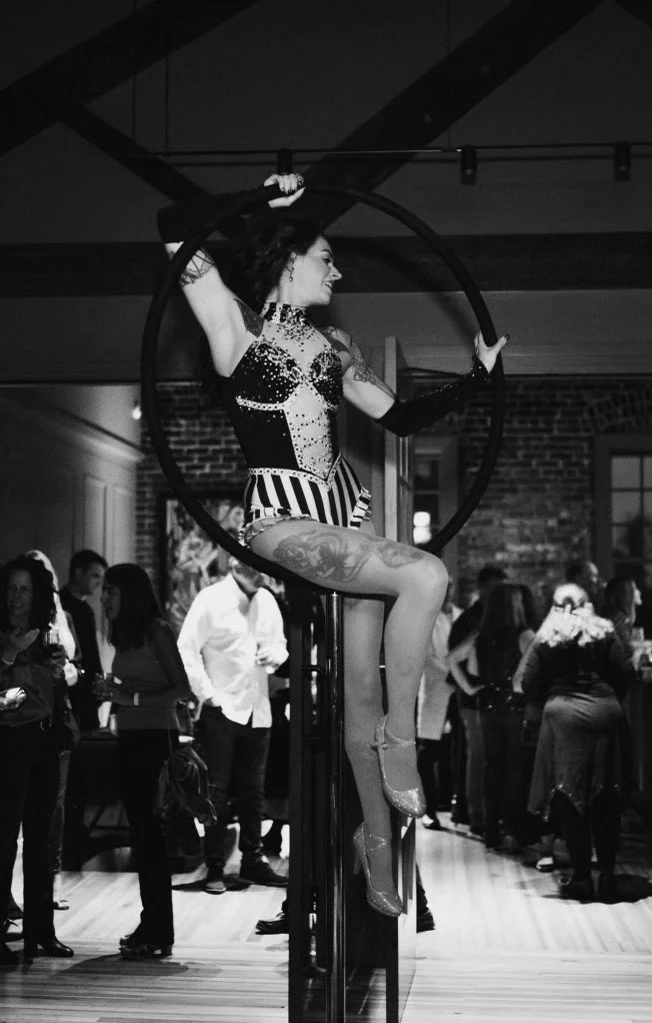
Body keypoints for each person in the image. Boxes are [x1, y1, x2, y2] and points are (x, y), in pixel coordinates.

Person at [157, 171, 508, 916]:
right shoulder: (236, 328)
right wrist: (256, 194)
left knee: (359, 695)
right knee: (426, 576)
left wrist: (478, 377)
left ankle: (375, 851)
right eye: (325, 256)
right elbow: (174, 222)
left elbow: (402, 416)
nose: (337, 269)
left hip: (343, 512)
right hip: (284, 518)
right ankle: (401, 741)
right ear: (288, 260)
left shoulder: (333, 344)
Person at [93, 564, 191, 959]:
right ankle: (151, 923)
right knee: (141, 836)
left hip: (155, 742)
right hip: (130, 739)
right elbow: (136, 687)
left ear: (129, 595)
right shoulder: (126, 636)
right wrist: (113, 689)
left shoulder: (157, 631)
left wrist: (126, 698)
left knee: (151, 837)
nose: (104, 600)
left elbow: (180, 688)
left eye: (111, 593)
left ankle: (159, 930)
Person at [177, 556, 289, 892]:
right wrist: (208, 694)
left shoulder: (267, 600)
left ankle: (252, 860)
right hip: (221, 710)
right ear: (232, 563)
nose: (258, 570)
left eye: (261, 563)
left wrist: (275, 657)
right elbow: (185, 648)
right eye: (250, 563)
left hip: (259, 709)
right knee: (217, 791)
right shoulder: (210, 599)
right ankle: (214, 867)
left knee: (254, 792)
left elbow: (280, 647)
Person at [519, 583, 634, 901]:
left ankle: (582, 876)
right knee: (606, 796)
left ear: (554, 606)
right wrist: (605, 698)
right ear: (588, 604)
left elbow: (528, 682)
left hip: (562, 719)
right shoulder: (603, 631)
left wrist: (555, 699)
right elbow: (625, 673)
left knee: (568, 798)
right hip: (605, 714)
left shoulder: (548, 635)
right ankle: (608, 876)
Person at [0, 555, 76, 966]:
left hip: (45, 743)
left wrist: (62, 673)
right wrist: (9, 656)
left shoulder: (45, 636)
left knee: (42, 842)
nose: (16, 597)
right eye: (11, 588)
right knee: (4, 841)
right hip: (9, 743)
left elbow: (53, 693)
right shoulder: (4, 637)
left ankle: (41, 931)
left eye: (24, 589)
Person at [447, 582, 536, 849]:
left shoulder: (480, 633)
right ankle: (511, 827)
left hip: (486, 704)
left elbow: (452, 658)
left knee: (491, 766)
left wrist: (471, 688)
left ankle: (491, 828)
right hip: (514, 706)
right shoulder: (524, 635)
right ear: (516, 605)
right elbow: (530, 671)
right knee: (514, 769)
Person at [25, 550, 80, 912]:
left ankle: (52, 881)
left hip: (58, 715)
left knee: (55, 803)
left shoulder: (64, 616)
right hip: (26, 715)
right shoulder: (19, 622)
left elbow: (78, 666)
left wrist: (66, 671)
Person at [446, 565, 507, 834]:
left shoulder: (490, 618)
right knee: (478, 759)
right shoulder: (472, 621)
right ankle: (476, 816)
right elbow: (453, 660)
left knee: (487, 760)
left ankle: (484, 814)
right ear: (482, 589)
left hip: (486, 700)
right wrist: (470, 688)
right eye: (493, 588)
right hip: (473, 702)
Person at [417, 579, 461, 830]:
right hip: (438, 687)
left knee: (454, 752)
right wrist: (452, 676)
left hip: (461, 691)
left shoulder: (459, 615)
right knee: (429, 752)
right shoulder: (426, 617)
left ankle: (452, 802)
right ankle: (428, 808)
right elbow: (425, 655)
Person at [60, 549, 107, 731]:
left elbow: (92, 653)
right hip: (71, 694)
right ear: (79, 573)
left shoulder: (87, 610)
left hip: (88, 695)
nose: (99, 583)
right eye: (95, 575)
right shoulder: (60, 605)